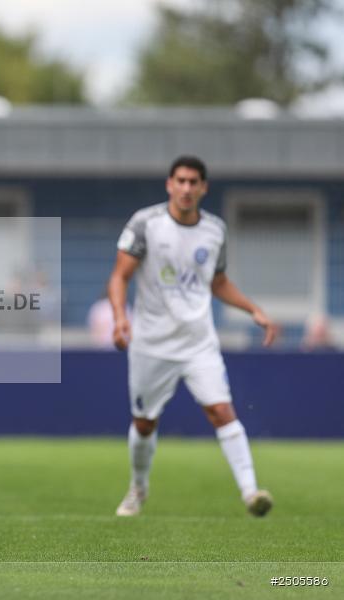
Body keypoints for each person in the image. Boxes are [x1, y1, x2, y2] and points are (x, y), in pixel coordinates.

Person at [108, 155, 279, 518]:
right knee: (144, 422)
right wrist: (121, 318)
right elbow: (120, 275)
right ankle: (138, 488)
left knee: (221, 410)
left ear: (203, 188)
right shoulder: (146, 223)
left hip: (199, 341)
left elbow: (218, 282)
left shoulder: (215, 230)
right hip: (151, 343)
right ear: (170, 184)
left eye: (193, 182)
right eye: (180, 181)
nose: (186, 188)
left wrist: (253, 310)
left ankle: (251, 492)